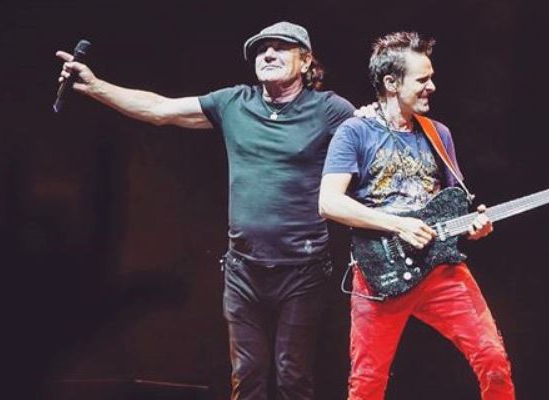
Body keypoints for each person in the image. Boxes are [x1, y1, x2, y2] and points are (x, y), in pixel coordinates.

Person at [56, 21, 355, 399]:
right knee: (246, 374)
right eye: (261, 49)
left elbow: (373, 142)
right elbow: (160, 108)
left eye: (280, 47)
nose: (268, 54)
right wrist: (97, 86)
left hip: (303, 271)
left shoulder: (330, 110)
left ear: (306, 60)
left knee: (292, 374)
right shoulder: (234, 103)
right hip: (244, 270)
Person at [318, 31, 516, 400]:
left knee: (493, 360)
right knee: (367, 383)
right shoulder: (355, 132)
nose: (432, 87)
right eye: (422, 79)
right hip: (379, 274)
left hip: (440, 270)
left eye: (431, 77)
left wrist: (473, 225)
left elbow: (452, 205)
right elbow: (329, 202)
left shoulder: (439, 134)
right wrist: (398, 224)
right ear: (391, 83)